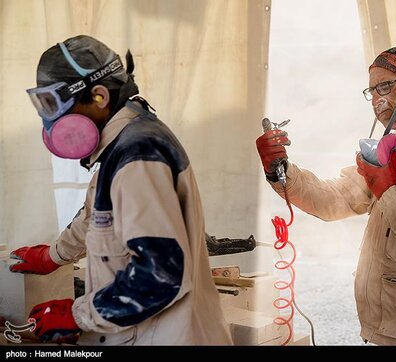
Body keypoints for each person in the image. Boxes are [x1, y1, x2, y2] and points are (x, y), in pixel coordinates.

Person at [256, 46, 396, 345]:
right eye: (372, 90)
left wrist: (388, 190)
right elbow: (335, 199)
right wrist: (281, 169)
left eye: (386, 86)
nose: (377, 99)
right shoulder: (392, 150)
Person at [9, 35, 232, 345]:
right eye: (42, 104)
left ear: (99, 96)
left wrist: (77, 315)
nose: (51, 120)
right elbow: (97, 216)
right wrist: (54, 255)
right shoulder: (124, 143)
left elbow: (159, 276)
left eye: (54, 104)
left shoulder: (138, 154)